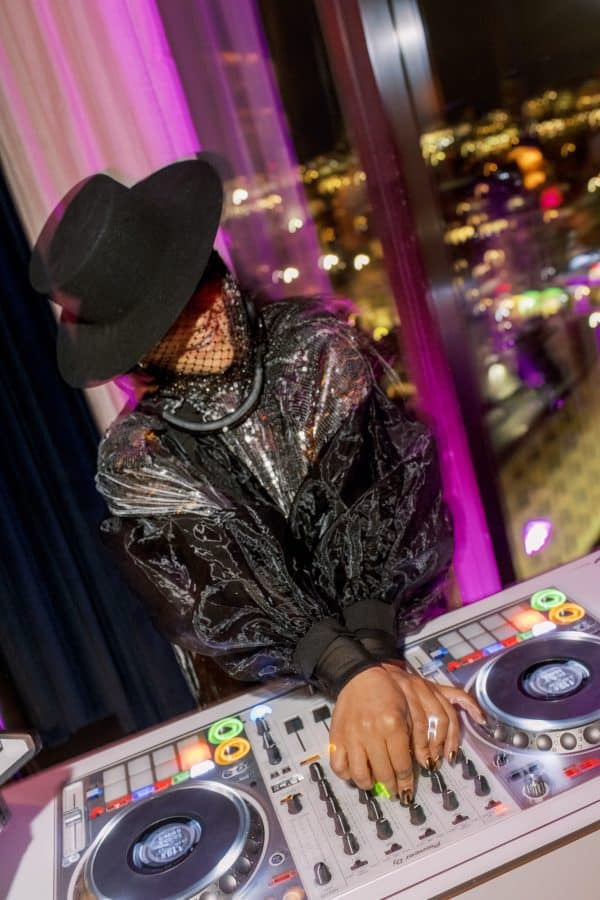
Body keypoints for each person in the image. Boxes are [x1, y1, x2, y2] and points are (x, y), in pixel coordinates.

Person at [30, 157, 484, 804]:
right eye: (166, 318)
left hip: (398, 636)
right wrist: (351, 671)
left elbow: (388, 505)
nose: (205, 316)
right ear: (136, 347)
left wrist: (376, 662)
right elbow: (225, 596)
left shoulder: (320, 350)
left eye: (200, 282)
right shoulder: (141, 460)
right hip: (279, 691)